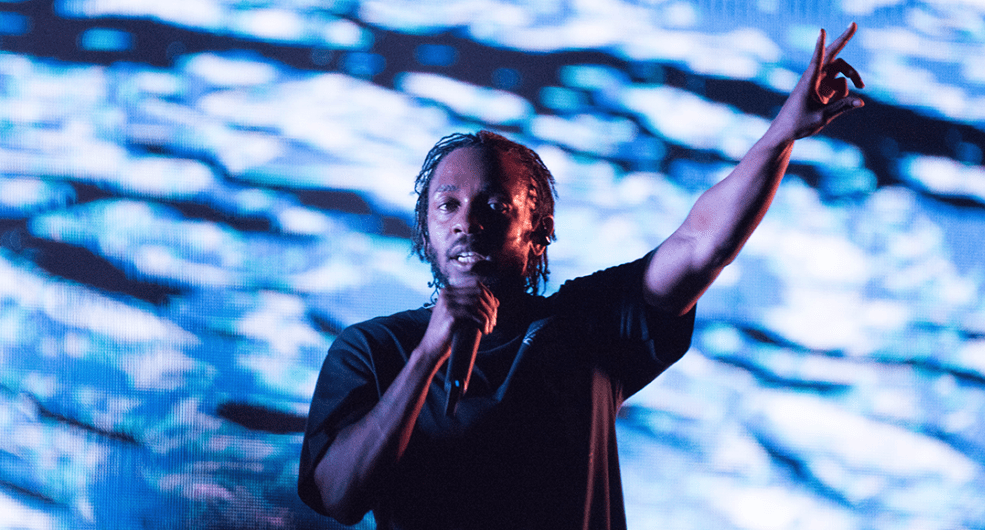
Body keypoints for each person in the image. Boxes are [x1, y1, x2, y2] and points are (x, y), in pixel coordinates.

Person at [298, 24, 865, 530]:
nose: (467, 222)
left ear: (538, 231)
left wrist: (781, 134)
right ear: (425, 231)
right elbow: (340, 498)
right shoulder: (371, 350)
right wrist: (427, 355)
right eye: (448, 205)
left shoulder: (590, 324)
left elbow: (701, 244)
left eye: (494, 206)